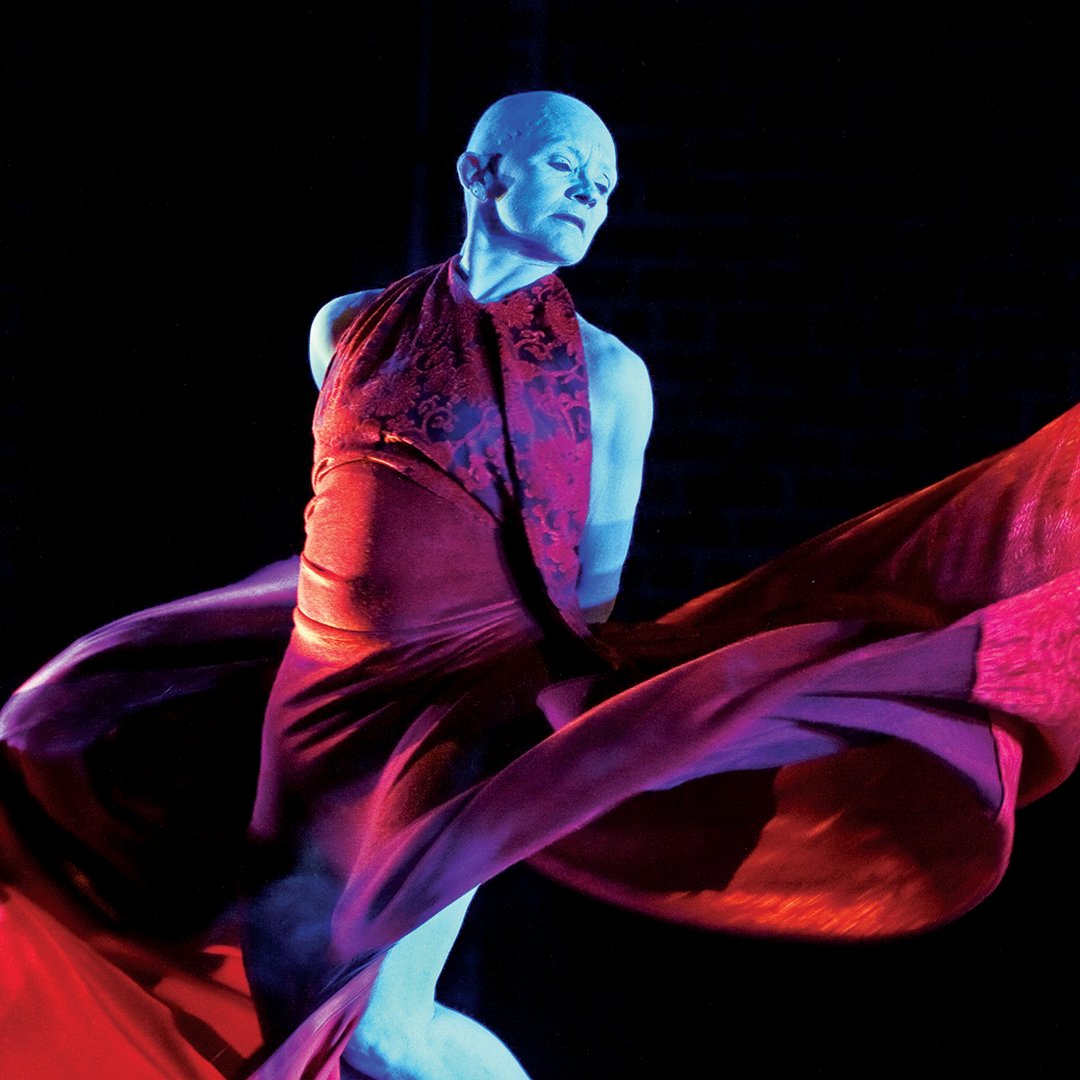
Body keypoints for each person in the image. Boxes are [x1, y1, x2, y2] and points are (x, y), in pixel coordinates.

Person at [0, 89, 1078, 1080]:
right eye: (568, 168)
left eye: (604, 189)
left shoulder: (608, 377)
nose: (589, 198)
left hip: (453, 720)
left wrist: (576, 738)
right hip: (317, 697)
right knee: (289, 989)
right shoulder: (348, 329)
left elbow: (589, 603)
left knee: (381, 1024)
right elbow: (344, 513)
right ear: (482, 172)